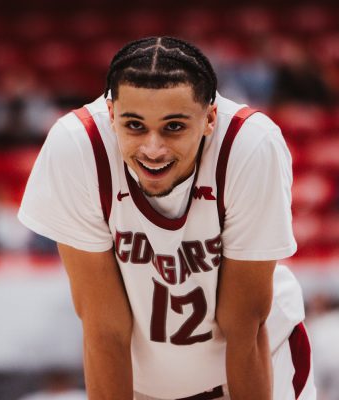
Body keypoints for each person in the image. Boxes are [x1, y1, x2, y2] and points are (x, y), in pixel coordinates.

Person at [18, 37, 316, 400]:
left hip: (261, 364)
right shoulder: (77, 147)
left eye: (173, 127)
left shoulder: (250, 146)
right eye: (135, 126)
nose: (153, 149)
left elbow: (246, 329)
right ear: (112, 115)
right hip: (143, 386)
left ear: (209, 119)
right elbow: (104, 330)